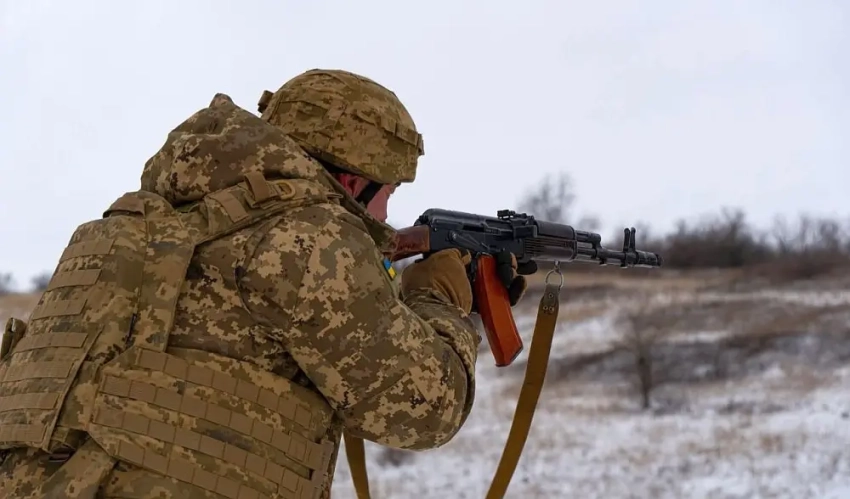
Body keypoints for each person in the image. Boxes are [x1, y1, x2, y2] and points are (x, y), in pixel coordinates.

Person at [0, 68, 527, 498]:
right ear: (352, 182)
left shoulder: (129, 227)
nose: (389, 215)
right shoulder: (309, 237)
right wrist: (441, 300)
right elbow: (422, 410)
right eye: (387, 193)